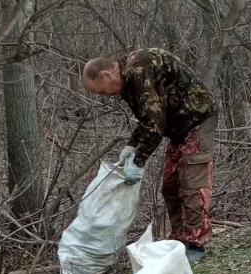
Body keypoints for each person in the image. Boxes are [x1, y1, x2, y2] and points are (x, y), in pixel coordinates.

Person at [82, 48, 218, 262]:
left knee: (192, 183)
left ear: (107, 75)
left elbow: (155, 122)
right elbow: (147, 119)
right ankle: (180, 239)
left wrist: (138, 161)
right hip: (178, 128)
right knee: (170, 185)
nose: (105, 96)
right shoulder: (127, 82)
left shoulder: (139, 68)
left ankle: (195, 244)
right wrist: (132, 145)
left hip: (198, 118)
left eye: (101, 91)